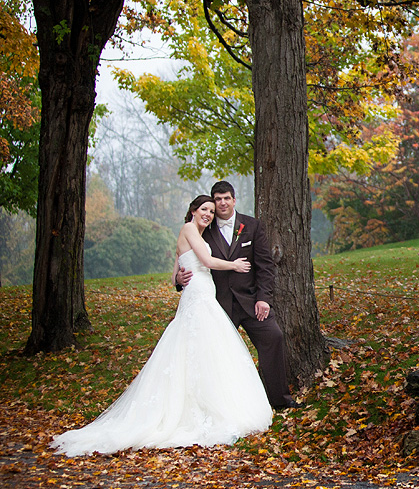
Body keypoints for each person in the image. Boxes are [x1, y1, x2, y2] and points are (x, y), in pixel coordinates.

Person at [52, 196, 273, 456]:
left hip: (203, 295)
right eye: (204, 209)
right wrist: (234, 265)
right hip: (198, 299)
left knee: (205, 351)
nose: (209, 215)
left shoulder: (198, 234)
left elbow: (174, 273)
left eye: (212, 212)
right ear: (193, 210)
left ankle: (207, 402)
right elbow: (208, 262)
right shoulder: (189, 229)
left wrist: (179, 276)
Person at [175, 181, 299, 410]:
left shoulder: (252, 226)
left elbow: (265, 265)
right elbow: (185, 256)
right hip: (218, 304)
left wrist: (264, 298)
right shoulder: (204, 228)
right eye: (217, 199)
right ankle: (222, 404)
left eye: (226, 198)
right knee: (216, 353)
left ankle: (279, 400)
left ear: (234, 200)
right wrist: (178, 280)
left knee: (274, 337)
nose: (222, 203)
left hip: (251, 301)